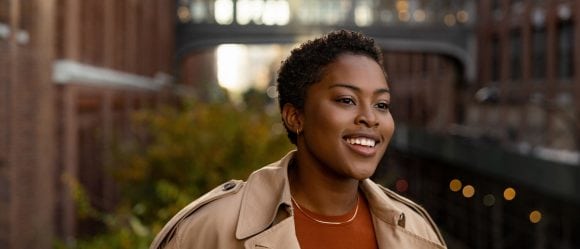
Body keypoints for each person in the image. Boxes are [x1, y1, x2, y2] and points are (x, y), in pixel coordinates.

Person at [150, 30, 447, 249]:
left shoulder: (418, 235)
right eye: (346, 100)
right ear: (295, 117)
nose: (370, 118)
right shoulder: (209, 230)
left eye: (381, 104)